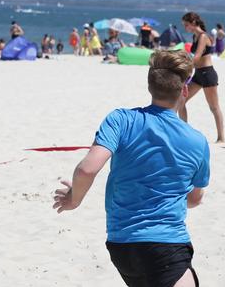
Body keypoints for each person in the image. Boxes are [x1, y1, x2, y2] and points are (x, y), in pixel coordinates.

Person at [53, 50, 209, 287]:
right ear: (184, 91)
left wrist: (74, 199)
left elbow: (87, 169)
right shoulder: (197, 141)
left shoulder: (120, 120)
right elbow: (195, 199)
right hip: (166, 247)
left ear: (150, 87)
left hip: (121, 246)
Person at [178, 12, 225, 143]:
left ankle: (221, 137)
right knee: (181, 100)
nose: (185, 27)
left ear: (193, 23)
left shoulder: (203, 36)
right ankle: (184, 131)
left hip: (208, 74)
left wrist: (184, 67)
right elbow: (194, 57)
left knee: (214, 107)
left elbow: (197, 56)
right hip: (198, 74)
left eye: (186, 25)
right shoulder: (195, 36)